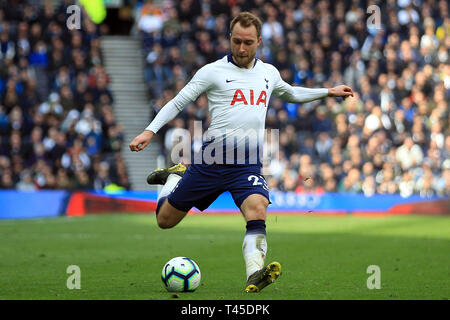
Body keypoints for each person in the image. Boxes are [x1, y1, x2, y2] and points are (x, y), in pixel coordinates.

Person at [129, 12, 354, 293]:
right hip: (211, 162)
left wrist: (327, 92)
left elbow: (291, 93)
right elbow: (178, 102)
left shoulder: (269, 73)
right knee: (165, 221)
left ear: (259, 41)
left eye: (248, 42)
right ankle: (174, 177)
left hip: (246, 165)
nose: (242, 48)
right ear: (230, 39)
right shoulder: (212, 72)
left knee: (258, 207)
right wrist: (150, 130)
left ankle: (254, 274)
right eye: (237, 41)